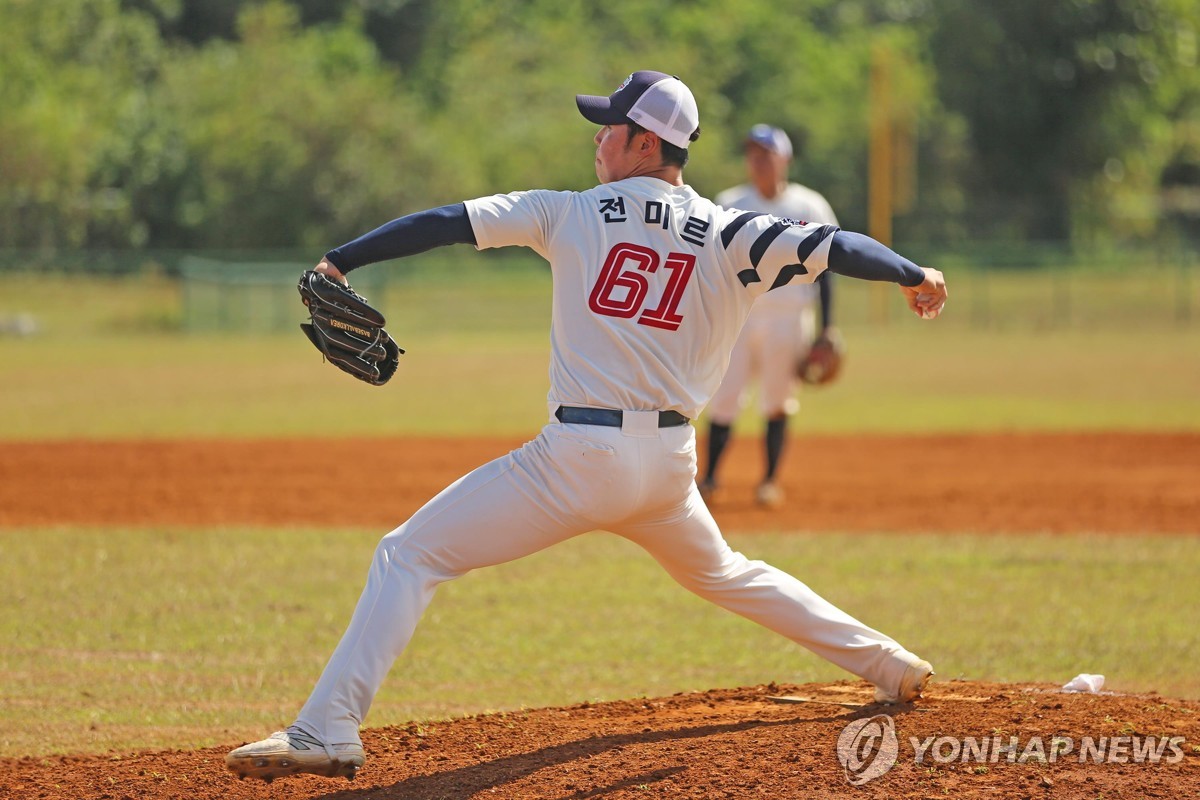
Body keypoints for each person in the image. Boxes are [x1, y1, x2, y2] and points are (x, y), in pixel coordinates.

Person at [226, 70, 946, 783]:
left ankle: (327, 728)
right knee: (727, 573)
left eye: (608, 127)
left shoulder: (568, 212)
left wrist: (341, 260)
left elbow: (448, 222)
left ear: (641, 143)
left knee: (409, 555)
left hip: (576, 460)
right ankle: (887, 662)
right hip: (667, 467)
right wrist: (913, 273)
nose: (598, 139)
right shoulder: (734, 231)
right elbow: (837, 246)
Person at [701, 125, 841, 509]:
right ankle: (709, 479)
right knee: (723, 398)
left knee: (778, 400)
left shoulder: (809, 206)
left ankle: (768, 481)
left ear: (785, 159)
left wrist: (827, 327)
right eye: (753, 153)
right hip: (739, 319)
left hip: (790, 317)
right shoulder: (729, 202)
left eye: (767, 153)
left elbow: (827, 269)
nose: (759, 160)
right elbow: (711, 266)